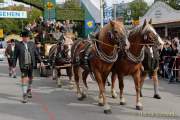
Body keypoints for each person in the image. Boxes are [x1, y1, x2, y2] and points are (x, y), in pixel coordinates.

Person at [15, 31, 44, 103]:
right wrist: (13, 65)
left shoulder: (32, 44)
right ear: (23, 37)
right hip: (23, 65)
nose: (27, 38)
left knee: (31, 78)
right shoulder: (18, 45)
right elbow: (15, 56)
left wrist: (41, 61)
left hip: (31, 64)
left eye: (28, 37)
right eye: (26, 37)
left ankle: (29, 89)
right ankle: (24, 95)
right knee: (24, 79)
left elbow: (36, 54)